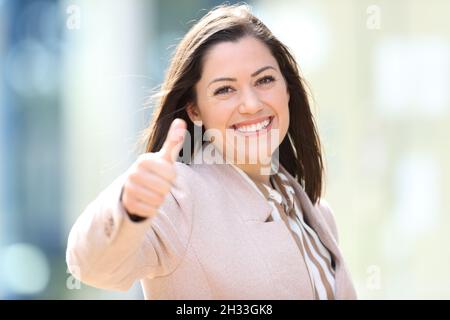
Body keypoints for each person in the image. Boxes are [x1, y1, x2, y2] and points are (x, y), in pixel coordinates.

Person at [66, 3, 357, 300]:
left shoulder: (316, 213)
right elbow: (93, 266)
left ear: (287, 89)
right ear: (195, 110)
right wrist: (127, 208)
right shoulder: (181, 195)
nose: (251, 104)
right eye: (224, 90)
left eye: (265, 80)